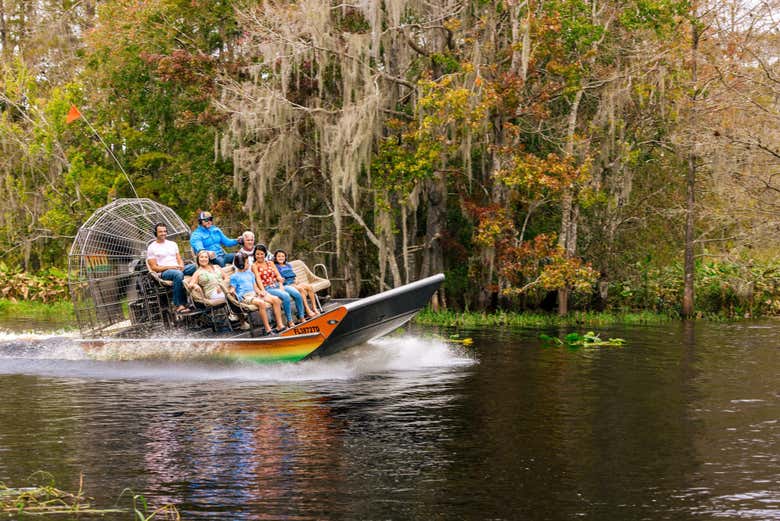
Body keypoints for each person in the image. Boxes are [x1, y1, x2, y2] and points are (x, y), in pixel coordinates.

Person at [229, 252, 285, 334]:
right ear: (241, 264)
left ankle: (280, 325)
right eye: (247, 263)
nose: (249, 264)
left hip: (255, 294)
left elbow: (255, 287)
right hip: (246, 296)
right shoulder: (234, 276)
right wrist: (232, 291)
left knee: (276, 300)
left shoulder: (250, 274)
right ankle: (267, 329)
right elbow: (232, 288)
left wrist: (260, 292)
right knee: (261, 303)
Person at [252, 243, 305, 326]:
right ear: (254, 255)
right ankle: (289, 321)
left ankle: (302, 317)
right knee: (285, 296)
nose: (259, 256)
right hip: (268, 288)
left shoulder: (270, 263)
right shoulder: (254, 266)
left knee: (297, 294)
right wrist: (263, 290)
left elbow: (278, 276)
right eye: (257, 254)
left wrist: (280, 285)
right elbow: (258, 279)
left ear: (265, 254)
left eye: (261, 254)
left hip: (277, 285)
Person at [146, 223, 189, 313]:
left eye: (165, 231)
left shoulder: (173, 244)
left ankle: (199, 300)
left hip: (177, 269)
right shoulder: (151, 247)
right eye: (160, 231)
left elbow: (179, 259)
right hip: (164, 272)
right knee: (178, 274)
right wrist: (171, 267)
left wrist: (181, 266)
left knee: (195, 267)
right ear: (155, 233)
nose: (163, 233)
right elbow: (154, 268)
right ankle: (179, 304)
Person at [274, 249, 319, 318]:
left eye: (283, 256)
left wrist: (296, 279)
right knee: (301, 289)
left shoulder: (288, 265)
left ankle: (314, 307)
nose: (281, 258)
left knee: (309, 287)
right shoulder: (276, 266)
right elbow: (278, 277)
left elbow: (292, 274)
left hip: (293, 282)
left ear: (285, 257)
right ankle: (307, 310)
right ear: (275, 258)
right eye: (279, 256)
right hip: (287, 284)